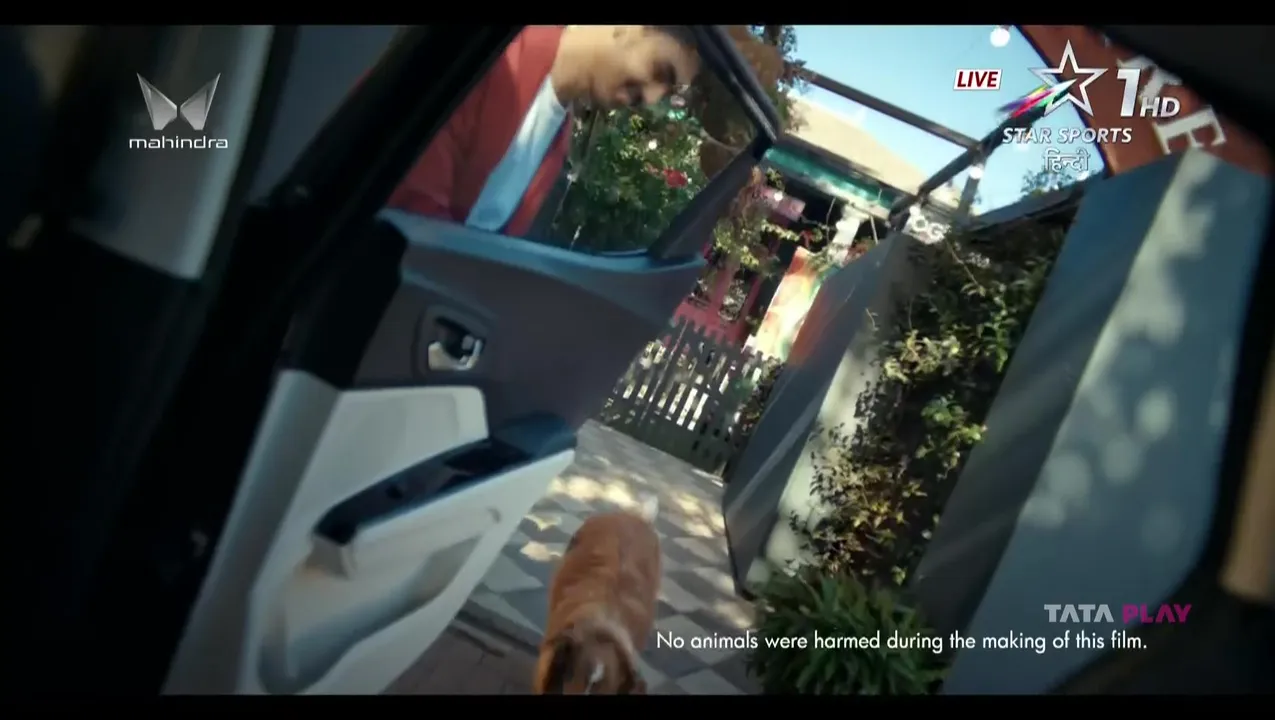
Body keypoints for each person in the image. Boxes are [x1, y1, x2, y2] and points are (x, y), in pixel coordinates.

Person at [387, 25, 701, 239]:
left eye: (667, 92)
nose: (651, 99)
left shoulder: (558, 139)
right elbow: (410, 204)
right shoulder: (495, 55)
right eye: (660, 71)